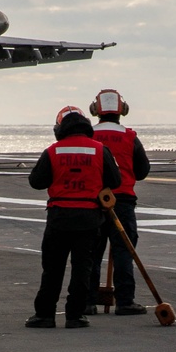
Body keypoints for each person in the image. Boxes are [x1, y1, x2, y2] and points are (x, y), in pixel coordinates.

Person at [26, 105, 121, 329]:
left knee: (52, 268)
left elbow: (36, 182)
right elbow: (115, 181)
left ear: (60, 128)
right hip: (89, 217)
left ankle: (45, 315)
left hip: (59, 217)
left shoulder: (53, 150)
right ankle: (75, 315)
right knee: (82, 268)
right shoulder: (100, 149)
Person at [86, 89, 151, 316]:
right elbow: (142, 171)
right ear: (123, 110)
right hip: (122, 200)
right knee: (124, 251)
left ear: (95, 110)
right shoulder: (130, 137)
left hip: (93, 201)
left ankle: (87, 301)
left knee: (91, 252)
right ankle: (125, 301)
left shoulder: (89, 136)